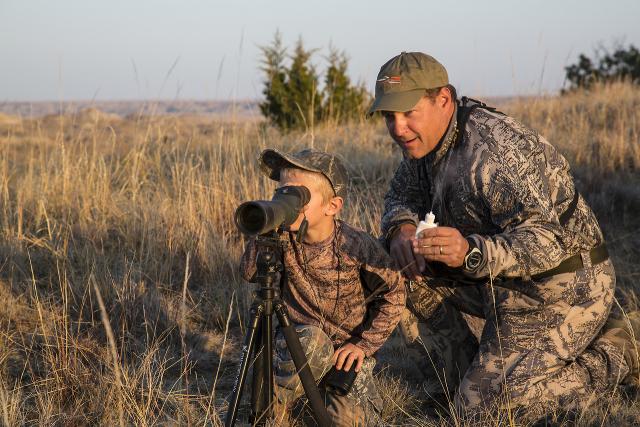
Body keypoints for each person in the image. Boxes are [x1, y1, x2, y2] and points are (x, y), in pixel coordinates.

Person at [368, 51, 638, 420]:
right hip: (496, 281)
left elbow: (547, 242)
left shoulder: (495, 150)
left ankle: (617, 352)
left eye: (408, 113)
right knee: (389, 261)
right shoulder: (425, 144)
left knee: (485, 414)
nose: (398, 128)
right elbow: (400, 196)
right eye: (389, 116)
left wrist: (470, 252)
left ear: (443, 100)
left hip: (561, 283)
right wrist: (401, 230)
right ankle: (458, 375)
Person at [239, 148, 406, 426]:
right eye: (282, 193)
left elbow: (395, 291)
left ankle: (319, 393)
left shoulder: (355, 245)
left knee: (347, 421)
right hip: (298, 343)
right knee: (312, 340)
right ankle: (273, 411)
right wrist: (266, 228)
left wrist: (363, 346)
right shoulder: (282, 240)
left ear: (332, 206)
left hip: (344, 355)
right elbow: (249, 272)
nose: (286, 202)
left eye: (298, 197)